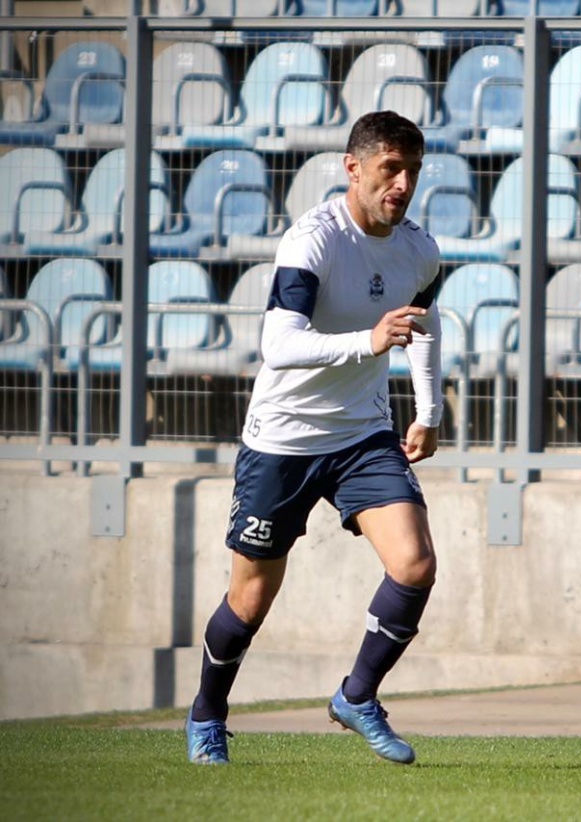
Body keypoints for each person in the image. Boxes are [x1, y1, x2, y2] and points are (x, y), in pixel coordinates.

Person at [185, 110, 443, 766]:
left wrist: (429, 410)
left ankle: (357, 697)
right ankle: (207, 714)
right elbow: (277, 342)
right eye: (391, 168)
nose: (404, 183)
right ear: (352, 168)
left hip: (362, 435)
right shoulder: (314, 240)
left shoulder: (418, 247)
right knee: (250, 597)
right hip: (283, 441)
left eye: (412, 170)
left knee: (414, 564)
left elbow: (424, 322)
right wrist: (368, 340)